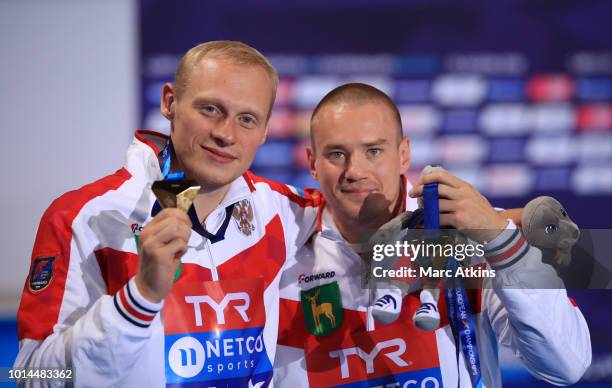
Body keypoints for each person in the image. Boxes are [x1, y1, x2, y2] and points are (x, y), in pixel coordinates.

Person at [15, 41, 320, 387]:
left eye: (247, 119)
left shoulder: (284, 211)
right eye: (210, 109)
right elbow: (31, 376)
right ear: (169, 102)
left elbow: (374, 216)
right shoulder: (83, 217)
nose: (225, 134)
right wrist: (138, 298)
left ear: (265, 130)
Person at [274, 83, 592, 387]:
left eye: (373, 151)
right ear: (312, 163)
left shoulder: (474, 236)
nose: (355, 170)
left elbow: (567, 363)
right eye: (337, 155)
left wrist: (498, 240)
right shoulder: (278, 242)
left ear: (403, 154)